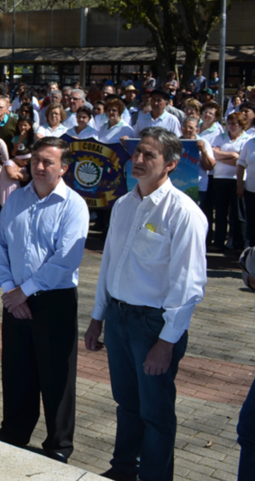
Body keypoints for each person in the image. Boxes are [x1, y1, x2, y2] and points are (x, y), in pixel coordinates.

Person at [84, 127, 208, 481]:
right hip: (119, 318)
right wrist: (97, 318)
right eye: (137, 153)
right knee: (127, 404)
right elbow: (109, 264)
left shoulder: (183, 213)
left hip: (154, 327)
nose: (137, 160)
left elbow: (189, 286)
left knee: (155, 413)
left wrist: (166, 343)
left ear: (170, 164)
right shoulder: (123, 205)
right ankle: (123, 469)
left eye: (148, 155)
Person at [0, 137, 89, 463]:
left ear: (64, 168)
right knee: (17, 370)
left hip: (54, 301)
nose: (40, 167)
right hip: (14, 298)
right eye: (35, 160)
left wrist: (25, 291)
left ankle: (58, 445)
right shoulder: (16, 200)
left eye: (48, 162)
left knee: (56, 375)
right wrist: (10, 289)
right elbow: (0, 248)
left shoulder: (73, 205)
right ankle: (14, 432)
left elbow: (65, 260)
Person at [208, 113, 248, 251]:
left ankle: (238, 243)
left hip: (237, 180)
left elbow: (243, 162)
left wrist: (222, 157)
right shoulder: (220, 137)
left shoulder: (247, 139)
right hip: (219, 178)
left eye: (234, 124)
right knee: (220, 212)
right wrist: (233, 155)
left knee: (237, 214)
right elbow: (213, 154)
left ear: (241, 125)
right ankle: (218, 242)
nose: (231, 126)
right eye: (229, 123)